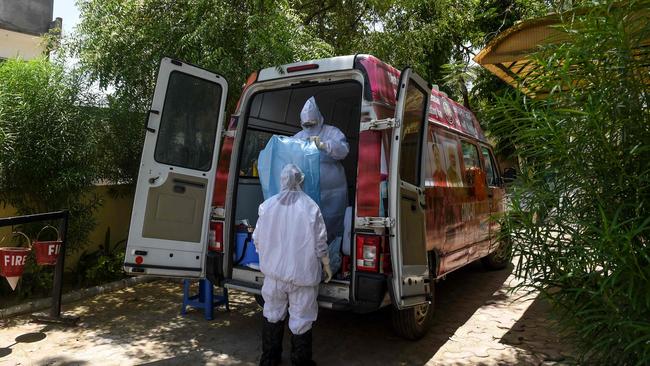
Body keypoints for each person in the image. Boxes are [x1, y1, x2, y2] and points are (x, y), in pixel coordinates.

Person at [253, 164, 333, 366]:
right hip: (302, 277)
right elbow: (320, 243)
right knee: (302, 318)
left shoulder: (267, 206)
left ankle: (270, 359)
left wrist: (269, 257)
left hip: (274, 277)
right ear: (301, 180)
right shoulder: (311, 207)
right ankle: (301, 361)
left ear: (281, 180)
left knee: (272, 314)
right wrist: (326, 265)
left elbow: (257, 239)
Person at [294, 97, 349, 242]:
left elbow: (344, 151)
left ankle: (334, 254)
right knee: (310, 226)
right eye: (306, 124)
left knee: (333, 224)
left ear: (319, 118)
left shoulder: (332, 132)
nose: (310, 127)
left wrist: (325, 145)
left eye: (312, 123)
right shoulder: (298, 137)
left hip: (333, 193)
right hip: (309, 192)